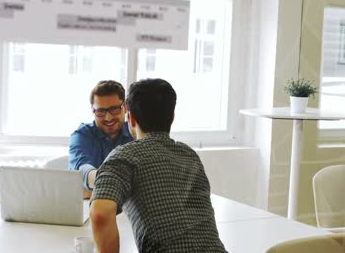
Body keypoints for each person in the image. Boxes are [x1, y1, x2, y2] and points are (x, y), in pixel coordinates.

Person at [90, 78, 227, 253]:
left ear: (130, 118)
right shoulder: (189, 155)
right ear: (172, 116)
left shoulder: (125, 157)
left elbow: (100, 213)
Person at [68, 80, 133, 193]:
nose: (108, 118)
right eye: (101, 111)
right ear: (93, 111)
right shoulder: (82, 135)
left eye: (114, 109)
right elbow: (81, 169)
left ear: (125, 107)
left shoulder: (136, 133)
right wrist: (108, 183)